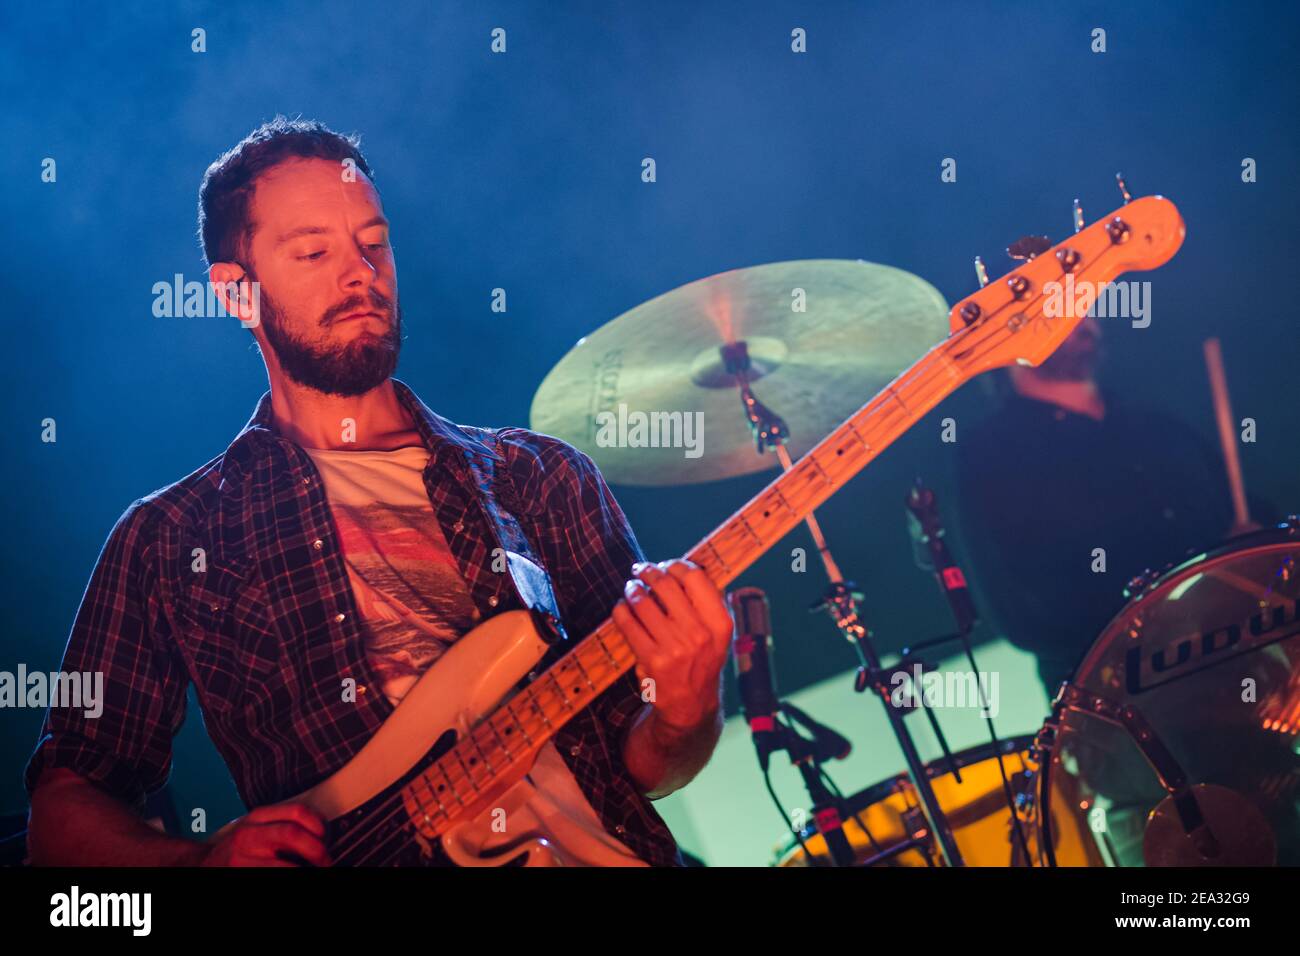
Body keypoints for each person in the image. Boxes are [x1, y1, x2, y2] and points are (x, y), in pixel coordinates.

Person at [25, 117, 734, 867]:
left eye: (374, 240)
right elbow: (64, 813)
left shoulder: (542, 478)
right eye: (314, 252)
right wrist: (197, 863)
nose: (360, 272)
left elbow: (649, 763)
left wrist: (685, 711)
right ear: (236, 294)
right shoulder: (171, 537)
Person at [953, 315, 1252, 699]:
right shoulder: (990, 457)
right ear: (1007, 330)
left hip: (1242, 659)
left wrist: (1248, 551)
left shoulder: (1155, 424)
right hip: (1120, 699)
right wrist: (1169, 616)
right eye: (1057, 307)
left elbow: (1242, 516)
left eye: (1084, 303)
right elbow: (1022, 612)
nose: (1085, 320)